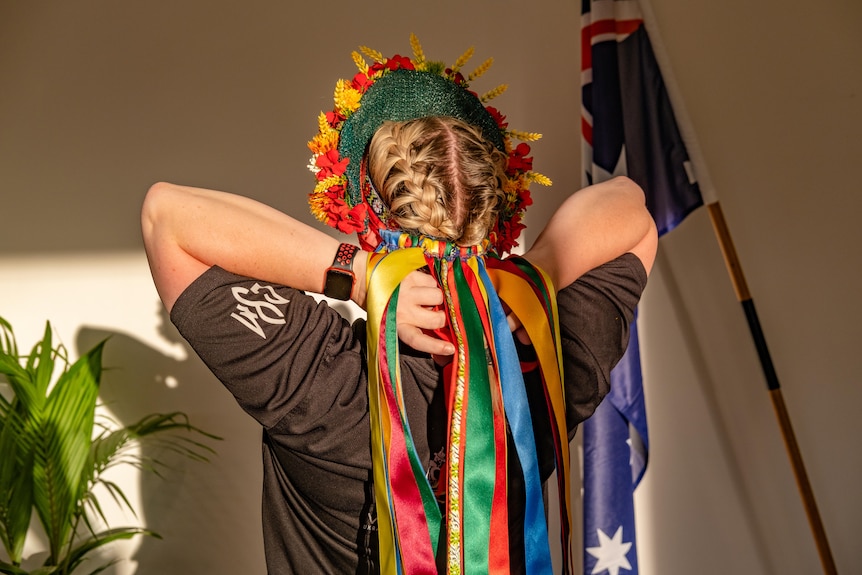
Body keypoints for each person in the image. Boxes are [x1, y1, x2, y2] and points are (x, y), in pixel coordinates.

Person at [142, 37, 656, 575]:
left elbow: (167, 215)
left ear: (368, 223)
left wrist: (360, 277)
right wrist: (535, 276)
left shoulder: (320, 373)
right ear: (497, 222)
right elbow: (630, 208)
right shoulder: (542, 365)